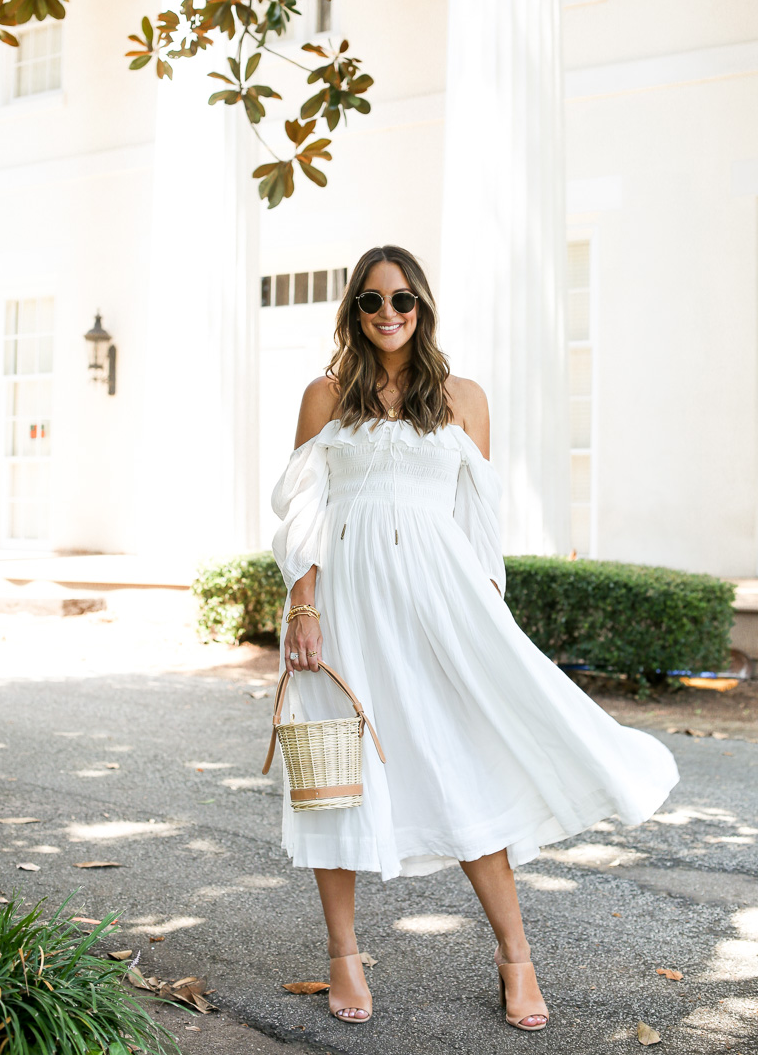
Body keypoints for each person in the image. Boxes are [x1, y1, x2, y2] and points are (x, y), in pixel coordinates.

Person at [270, 245, 679, 1030]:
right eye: (371, 301)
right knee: (333, 770)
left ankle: (515, 956)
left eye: (402, 301)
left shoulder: (463, 398)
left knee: (462, 761)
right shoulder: (326, 396)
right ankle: (343, 956)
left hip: (437, 602)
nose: (388, 314)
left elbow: (478, 519)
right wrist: (303, 602)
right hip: (345, 606)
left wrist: (486, 608)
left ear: (423, 307)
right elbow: (303, 508)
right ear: (353, 311)